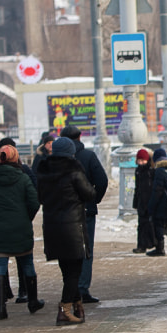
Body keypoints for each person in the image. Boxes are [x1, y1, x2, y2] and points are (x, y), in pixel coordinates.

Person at [36, 137, 95, 325]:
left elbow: (39, 197)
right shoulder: (74, 169)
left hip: (52, 228)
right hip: (72, 227)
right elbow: (89, 194)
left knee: (67, 271)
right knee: (74, 272)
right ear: (70, 152)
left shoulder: (43, 170)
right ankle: (64, 310)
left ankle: (78, 307)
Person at [0, 144, 43, 319]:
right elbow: (34, 203)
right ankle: (32, 301)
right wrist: (25, 217)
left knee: (0, 267)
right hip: (21, 229)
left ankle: (1, 307)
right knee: (27, 264)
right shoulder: (23, 179)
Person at [61, 125, 108, 304]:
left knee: (67, 250)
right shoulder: (88, 156)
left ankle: (70, 287)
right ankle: (82, 288)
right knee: (86, 249)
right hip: (86, 211)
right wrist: (94, 199)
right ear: (80, 137)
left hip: (63, 213)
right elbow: (102, 180)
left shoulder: (56, 160)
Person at [131, 148, 156, 254]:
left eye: (142, 160)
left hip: (151, 201)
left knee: (151, 224)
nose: (140, 163)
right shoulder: (138, 171)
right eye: (139, 161)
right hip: (141, 201)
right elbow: (137, 188)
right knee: (141, 225)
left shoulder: (151, 171)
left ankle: (154, 243)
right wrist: (135, 202)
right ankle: (141, 246)